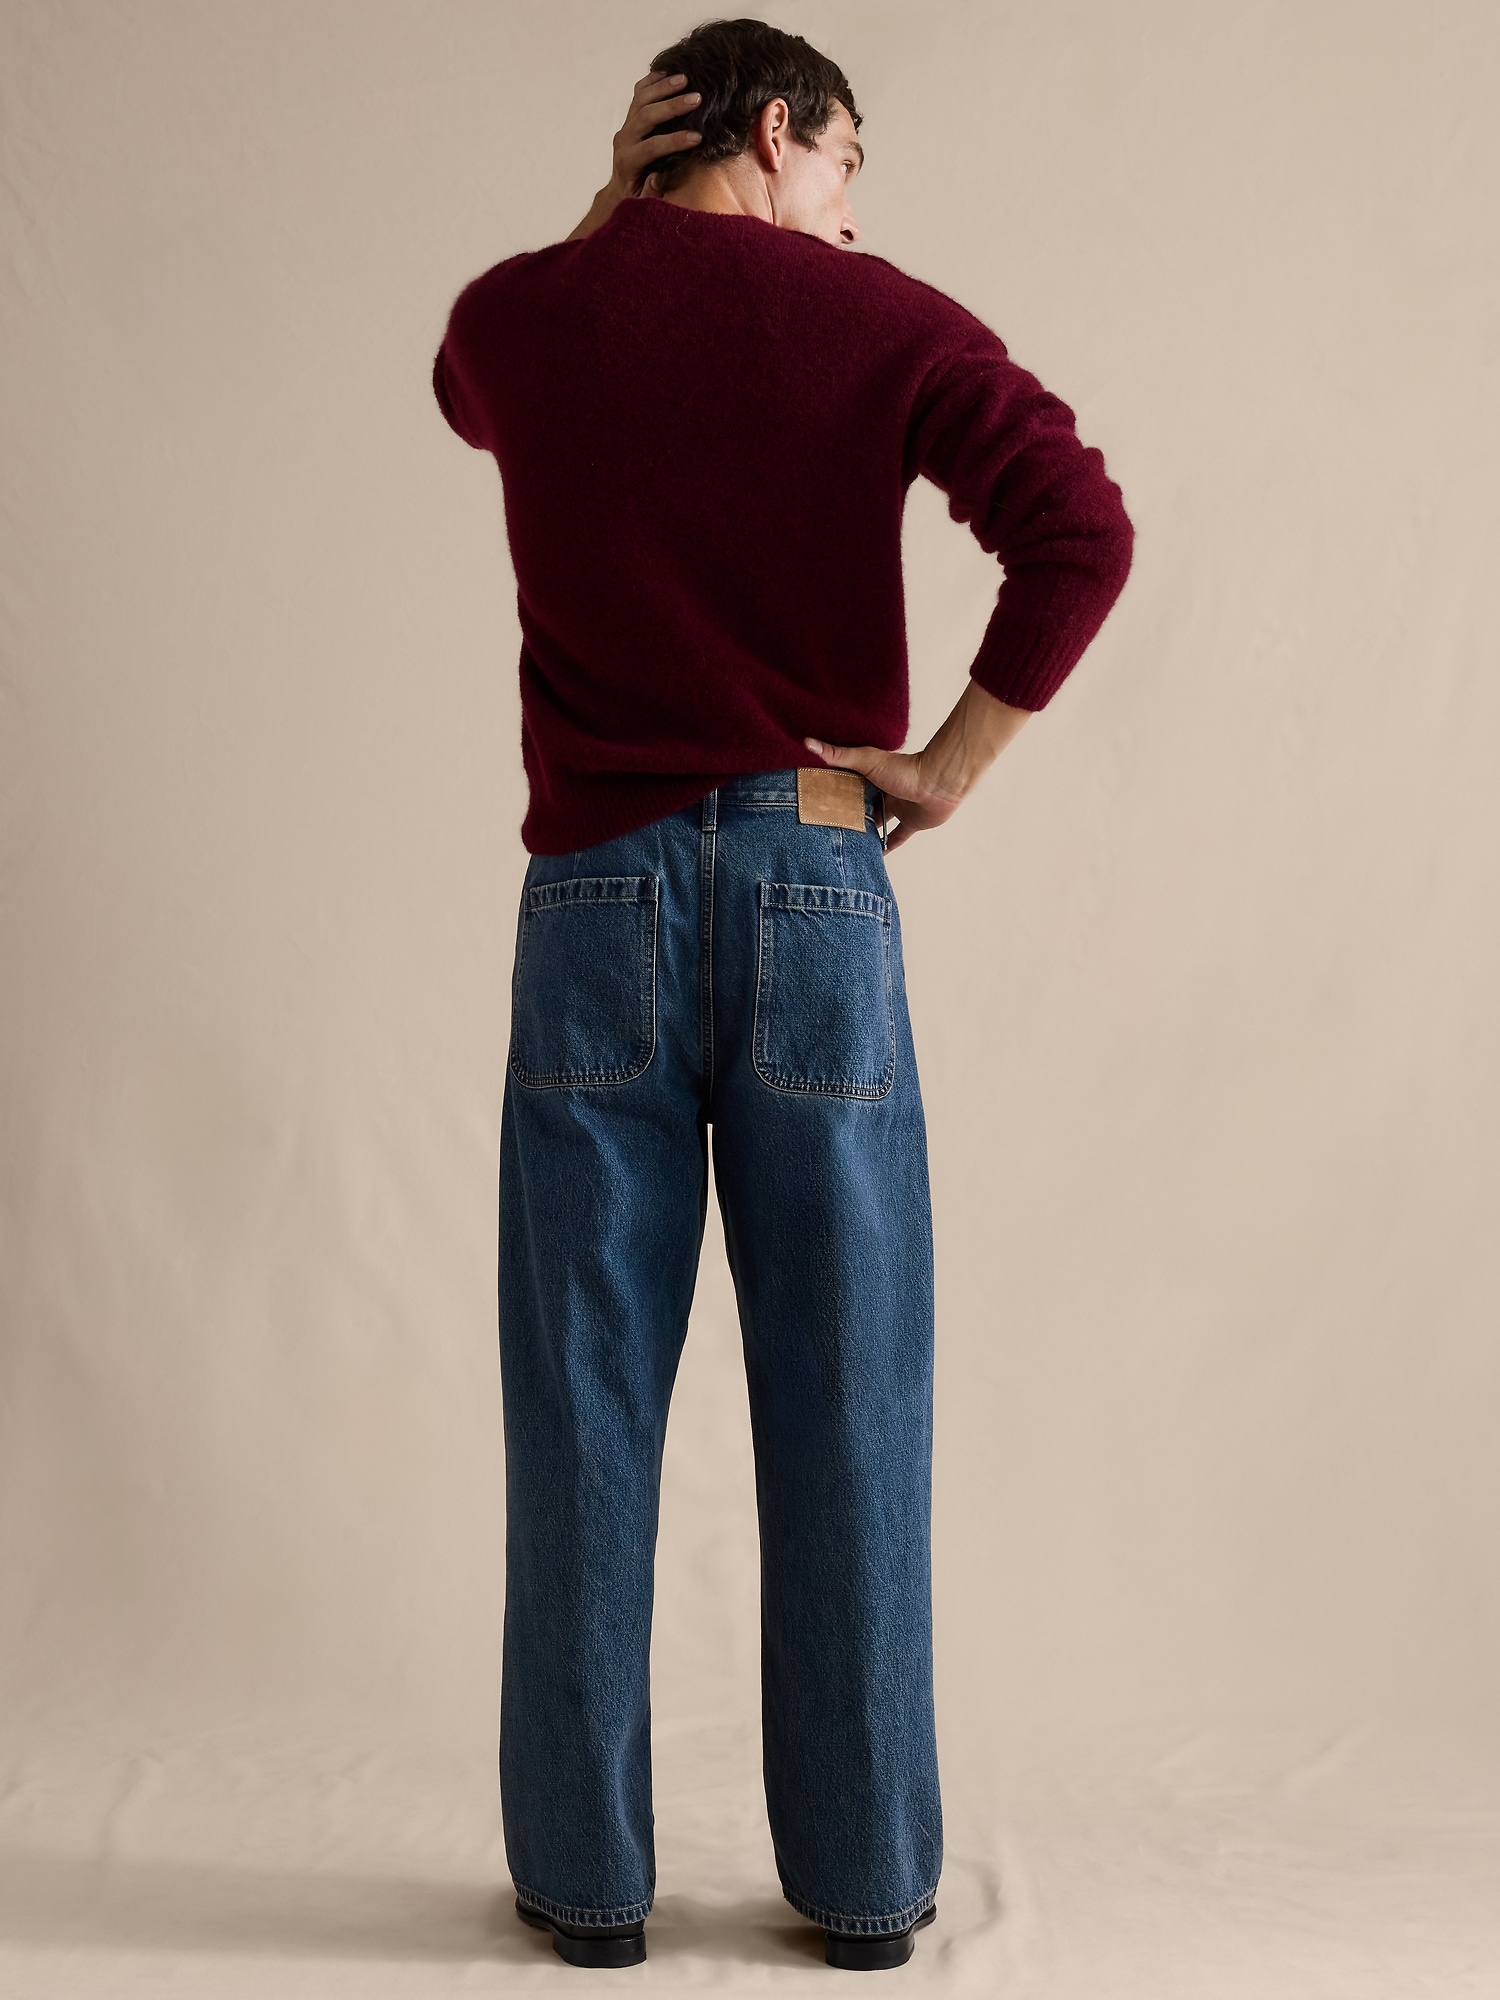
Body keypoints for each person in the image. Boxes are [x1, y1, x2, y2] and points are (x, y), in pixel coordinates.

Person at [433, 17, 1132, 1972]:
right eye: (844, 162)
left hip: (596, 899)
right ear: (774, 129)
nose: (849, 206)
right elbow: (1082, 525)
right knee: (850, 1390)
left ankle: (586, 1887)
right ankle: (866, 1888)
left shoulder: (529, 315)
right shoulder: (878, 319)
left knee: (583, 1397)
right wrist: (949, 767)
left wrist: (605, 221)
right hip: (819, 880)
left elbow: (463, 387)